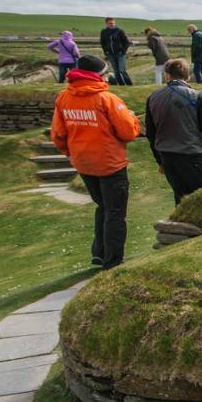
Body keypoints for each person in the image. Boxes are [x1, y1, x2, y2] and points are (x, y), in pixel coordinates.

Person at [49, 54, 140, 270]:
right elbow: (128, 132)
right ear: (98, 75)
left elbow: (58, 134)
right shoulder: (106, 99)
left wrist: (70, 152)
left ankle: (99, 253)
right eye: (105, 73)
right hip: (109, 163)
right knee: (115, 212)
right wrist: (133, 119)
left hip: (83, 162)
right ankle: (113, 262)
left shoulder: (64, 98)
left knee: (103, 206)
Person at [143, 58, 202, 202]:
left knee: (181, 199)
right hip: (191, 155)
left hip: (167, 157)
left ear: (167, 76)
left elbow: (151, 133)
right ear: (188, 77)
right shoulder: (196, 97)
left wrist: (160, 161)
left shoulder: (153, 98)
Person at [99, 18, 133, 86]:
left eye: (113, 23)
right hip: (110, 54)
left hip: (120, 54)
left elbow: (126, 42)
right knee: (116, 71)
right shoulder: (104, 32)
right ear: (107, 24)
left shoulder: (120, 31)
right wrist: (106, 51)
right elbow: (102, 43)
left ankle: (129, 85)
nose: (112, 24)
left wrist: (123, 51)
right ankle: (121, 85)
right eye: (110, 23)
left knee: (122, 70)